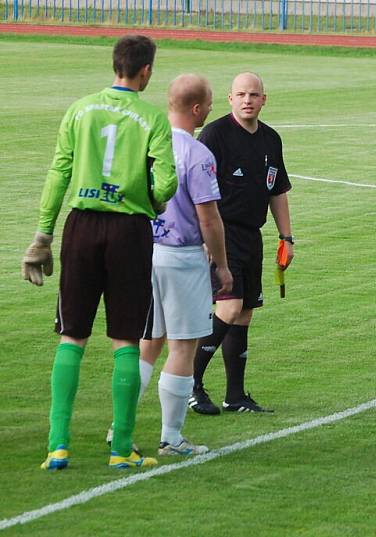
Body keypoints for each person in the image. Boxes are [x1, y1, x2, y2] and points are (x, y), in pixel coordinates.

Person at [24, 35, 177, 470]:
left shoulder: (80, 108)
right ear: (146, 71)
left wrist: (43, 235)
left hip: (82, 226)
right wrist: (152, 199)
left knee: (72, 333)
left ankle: (58, 445)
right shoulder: (152, 118)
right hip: (128, 229)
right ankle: (121, 448)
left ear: (115, 65)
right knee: (126, 337)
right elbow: (166, 183)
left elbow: (59, 172)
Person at [110, 74, 234, 455]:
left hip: (142, 251)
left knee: (146, 343)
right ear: (196, 109)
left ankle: (120, 428)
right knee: (183, 346)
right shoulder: (197, 154)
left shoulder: (145, 141)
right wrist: (223, 265)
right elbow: (208, 217)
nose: (212, 109)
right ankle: (172, 437)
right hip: (181, 257)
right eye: (210, 103)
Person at [188, 72, 294, 415]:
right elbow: (195, 187)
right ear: (230, 99)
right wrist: (204, 236)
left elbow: (277, 191)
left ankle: (235, 396)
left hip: (252, 235)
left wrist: (286, 237)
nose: (248, 100)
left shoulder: (271, 139)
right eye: (241, 94)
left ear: (264, 99)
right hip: (222, 233)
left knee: (245, 313)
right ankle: (192, 384)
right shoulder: (215, 135)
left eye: (254, 94)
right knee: (229, 307)